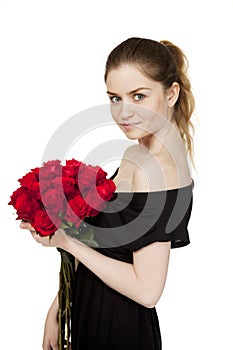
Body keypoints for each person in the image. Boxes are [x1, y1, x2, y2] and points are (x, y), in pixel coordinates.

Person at [20, 37, 195, 350]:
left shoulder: (157, 171)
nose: (124, 112)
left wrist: (64, 240)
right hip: (90, 309)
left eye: (138, 96)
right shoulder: (134, 153)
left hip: (120, 328)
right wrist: (60, 306)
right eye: (115, 98)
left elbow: (147, 291)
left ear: (171, 94)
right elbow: (102, 245)